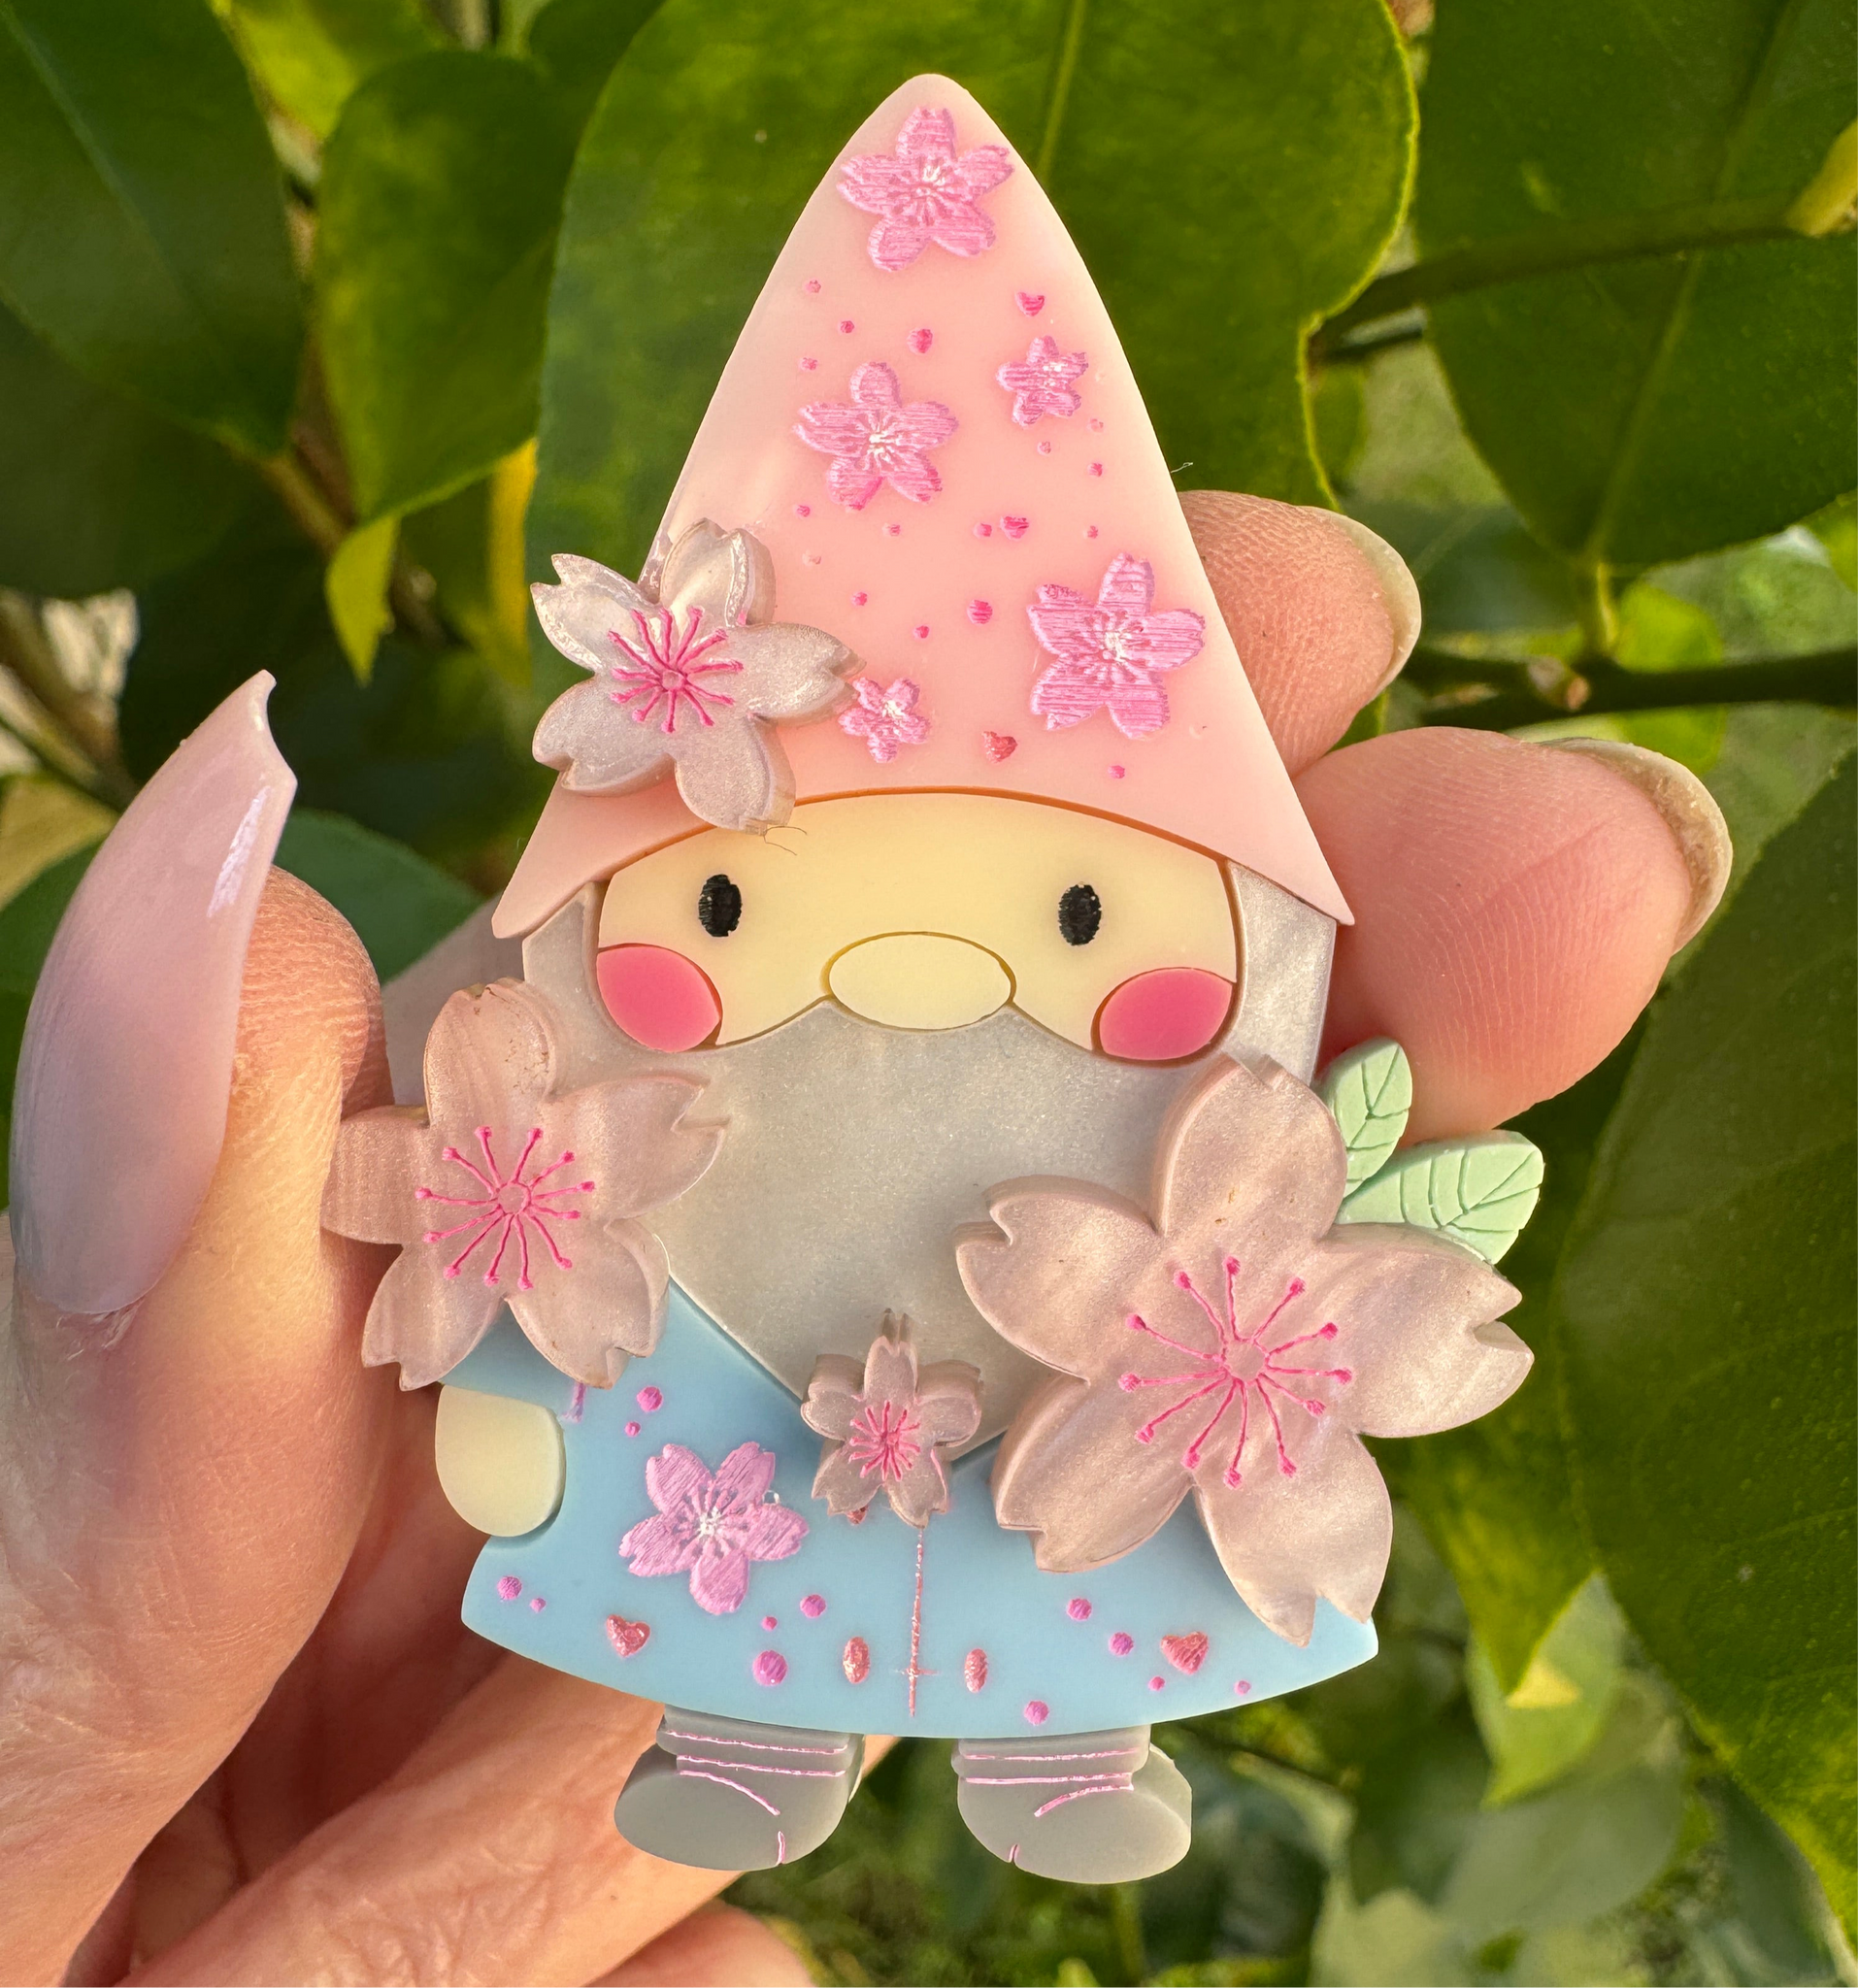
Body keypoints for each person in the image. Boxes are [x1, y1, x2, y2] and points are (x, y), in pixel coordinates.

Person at [0, 490, 1724, 1986]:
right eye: (727, 901)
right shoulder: (606, 1156)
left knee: (1066, 1536)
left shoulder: (1157, 1157)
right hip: (711, 1344)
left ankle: (1060, 1753)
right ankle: (747, 1745)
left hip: (1084, 1356)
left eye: (1077, 910)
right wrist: (509, 1407)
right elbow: (518, 1297)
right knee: (728, 1545)